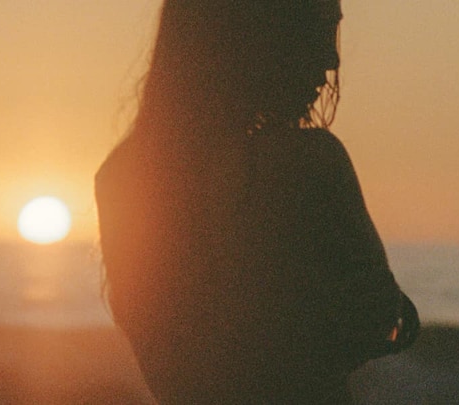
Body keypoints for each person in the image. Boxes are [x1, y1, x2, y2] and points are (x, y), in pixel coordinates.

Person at [92, 0, 418, 403]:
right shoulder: (311, 163)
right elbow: (379, 320)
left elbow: (167, 360)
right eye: (317, 31)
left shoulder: (121, 180)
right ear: (255, 34)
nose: (331, 58)